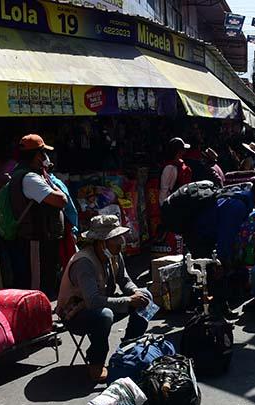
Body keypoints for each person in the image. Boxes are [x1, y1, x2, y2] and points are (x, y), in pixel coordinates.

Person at [56, 215, 153, 383]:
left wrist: (136, 292)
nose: (121, 242)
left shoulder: (114, 254)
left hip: (101, 303)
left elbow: (124, 280)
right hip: (76, 315)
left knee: (146, 296)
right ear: (102, 242)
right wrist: (130, 300)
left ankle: (127, 348)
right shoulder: (84, 263)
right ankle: (96, 362)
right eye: (116, 239)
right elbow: (93, 301)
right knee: (105, 315)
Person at [183, 173, 255, 317]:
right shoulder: (239, 205)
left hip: (207, 234)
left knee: (218, 272)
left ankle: (219, 308)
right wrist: (221, 261)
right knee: (215, 271)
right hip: (200, 235)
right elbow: (225, 235)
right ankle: (213, 312)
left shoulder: (245, 199)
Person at [10, 134, 68, 294]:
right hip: (35, 239)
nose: (45, 157)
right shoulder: (30, 178)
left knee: (47, 279)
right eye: (43, 153)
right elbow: (61, 200)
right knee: (37, 286)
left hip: (43, 238)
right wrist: (53, 184)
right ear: (35, 156)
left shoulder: (35, 174)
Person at [159, 137, 193, 204]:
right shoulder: (169, 168)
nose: (185, 151)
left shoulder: (179, 164)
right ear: (178, 151)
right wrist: (164, 207)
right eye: (183, 149)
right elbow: (164, 190)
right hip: (173, 203)